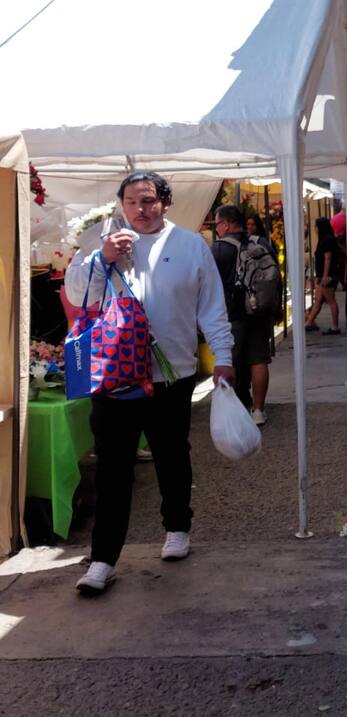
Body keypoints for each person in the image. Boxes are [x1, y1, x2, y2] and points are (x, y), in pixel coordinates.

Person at [66, 171, 234, 596]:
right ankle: (103, 558)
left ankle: (177, 527)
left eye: (149, 200)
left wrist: (224, 356)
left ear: (165, 201)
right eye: (132, 202)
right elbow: (77, 294)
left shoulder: (191, 245)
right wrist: (101, 258)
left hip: (171, 374)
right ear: (121, 204)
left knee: (172, 455)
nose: (141, 210)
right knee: (112, 468)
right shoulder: (101, 242)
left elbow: (211, 305)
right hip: (116, 376)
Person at [212, 204, 273, 425]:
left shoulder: (218, 249)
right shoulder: (260, 243)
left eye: (217, 223)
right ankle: (258, 411)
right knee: (259, 361)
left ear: (226, 224)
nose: (217, 228)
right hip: (259, 312)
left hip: (232, 314)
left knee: (231, 362)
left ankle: (234, 412)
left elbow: (210, 285)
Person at [304, 216, 342, 335]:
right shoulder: (325, 239)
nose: (314, 229)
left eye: (316, 226)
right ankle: (309, 322)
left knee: (331, 300)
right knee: (318, 300)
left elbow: (328, 258)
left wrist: (325, 276)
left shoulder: (327, 240)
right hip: (322, 275)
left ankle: (335, 327)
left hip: (328, 275)